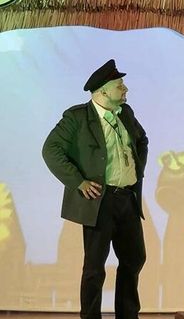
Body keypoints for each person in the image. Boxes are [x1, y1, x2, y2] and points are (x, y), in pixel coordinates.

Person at [42, 59, 148, 319]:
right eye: (120, 86)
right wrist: (78, 182)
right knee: (94, 268)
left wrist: (137, 171)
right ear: (102, 92)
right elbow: (51, 150)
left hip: (127, 198)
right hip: (100, 201)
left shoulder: (126, 113)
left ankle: (128, 315)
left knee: (134, 259)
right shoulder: (77, 117)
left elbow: (142, 140)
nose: (125, 89)